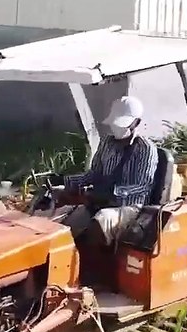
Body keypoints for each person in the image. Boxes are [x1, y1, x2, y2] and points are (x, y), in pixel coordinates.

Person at [45, 95, 157, 247]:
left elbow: (142, 186)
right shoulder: (106, 143)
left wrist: (112, 192)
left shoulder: (145, 149)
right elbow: (94, 174)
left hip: (128, 206)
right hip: (99, 201)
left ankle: (93, 264)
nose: (117, 127)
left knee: (101, 220)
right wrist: (63, 180)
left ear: (136, 122)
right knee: (66, 226)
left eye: (122, 124)